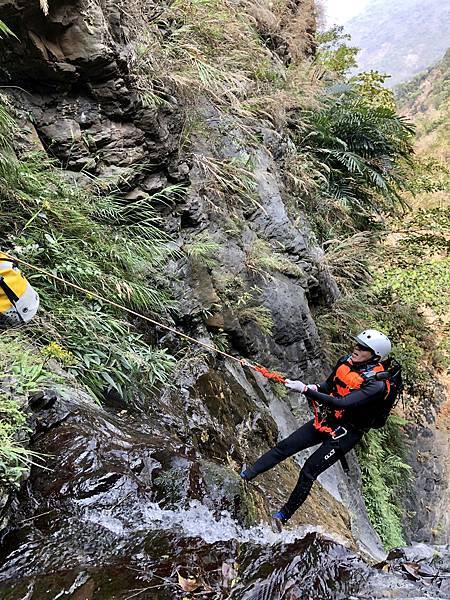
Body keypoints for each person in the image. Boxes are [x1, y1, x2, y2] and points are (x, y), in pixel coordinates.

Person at [240, 329, 392, 526]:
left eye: (363, 348)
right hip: (328, 419)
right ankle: (246, 475)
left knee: (308, 471)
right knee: (285, 447)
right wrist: (313, 387)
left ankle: (283, 517)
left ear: (375, 356)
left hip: (345, 433)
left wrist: (304, 391)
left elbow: (343, 403)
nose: (356, 349)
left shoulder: (377, 384)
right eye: (357, 344)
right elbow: (328, 386)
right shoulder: (345, 362)